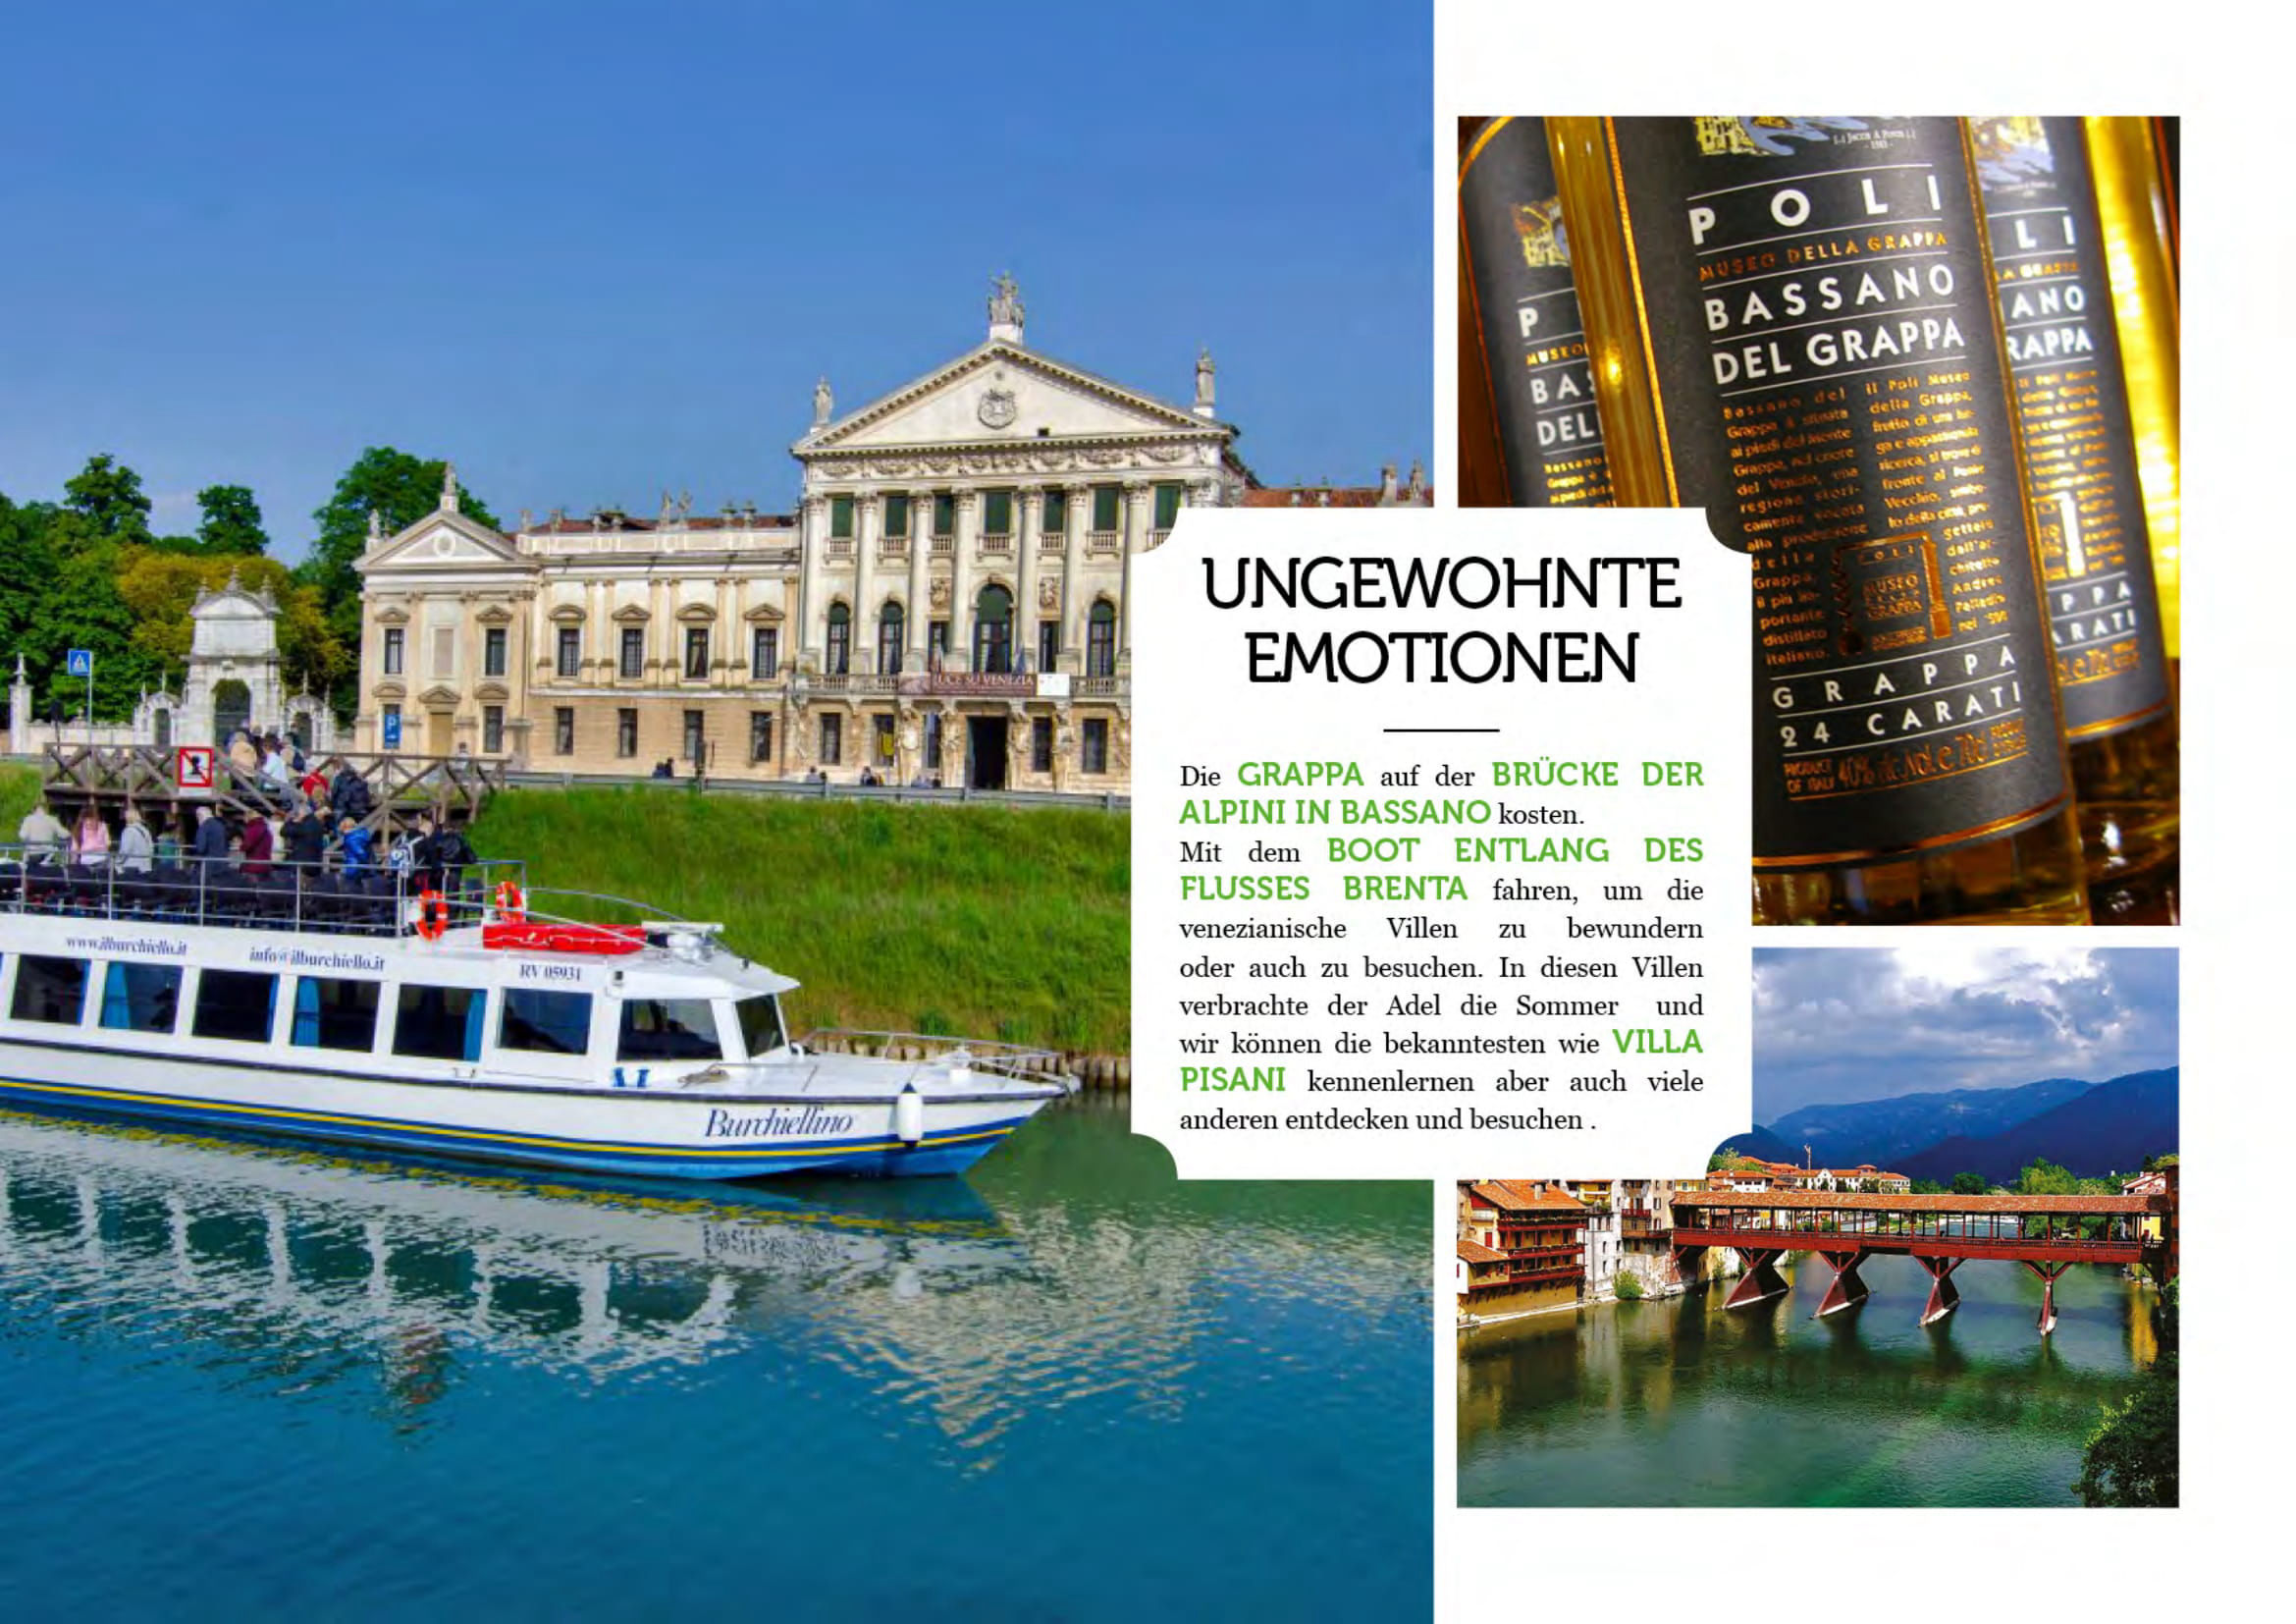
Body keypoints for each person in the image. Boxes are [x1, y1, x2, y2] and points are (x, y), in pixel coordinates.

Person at [190, 804, 232, 871]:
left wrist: (195, 862)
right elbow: (227, 844)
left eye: (197, 817)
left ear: (200, 816)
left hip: (208, 864)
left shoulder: (204, 827)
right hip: (222, 862)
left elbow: (201, 848)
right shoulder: (221, 825)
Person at [117, 805, 154, 874]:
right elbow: (151, 848)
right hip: (146, 867)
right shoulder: (145, 830)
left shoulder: (128, 831)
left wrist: (117, 862)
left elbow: (125, 850)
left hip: (132, 867)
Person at [336, 815, 374, 879]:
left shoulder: (351, 839)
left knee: (347, 884)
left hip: (353, 867)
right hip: (356, 866)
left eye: (341, 827)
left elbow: (361, 853)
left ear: (345, 827)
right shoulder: (358, 835)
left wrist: (364, 863)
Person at [240, 809, 275, 879]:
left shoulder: (253, 829)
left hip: (254, 865)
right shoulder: (265, 828)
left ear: (248, 817)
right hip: (265, 863)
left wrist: (241, 846)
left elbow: (246, 846)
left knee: (250, 886)